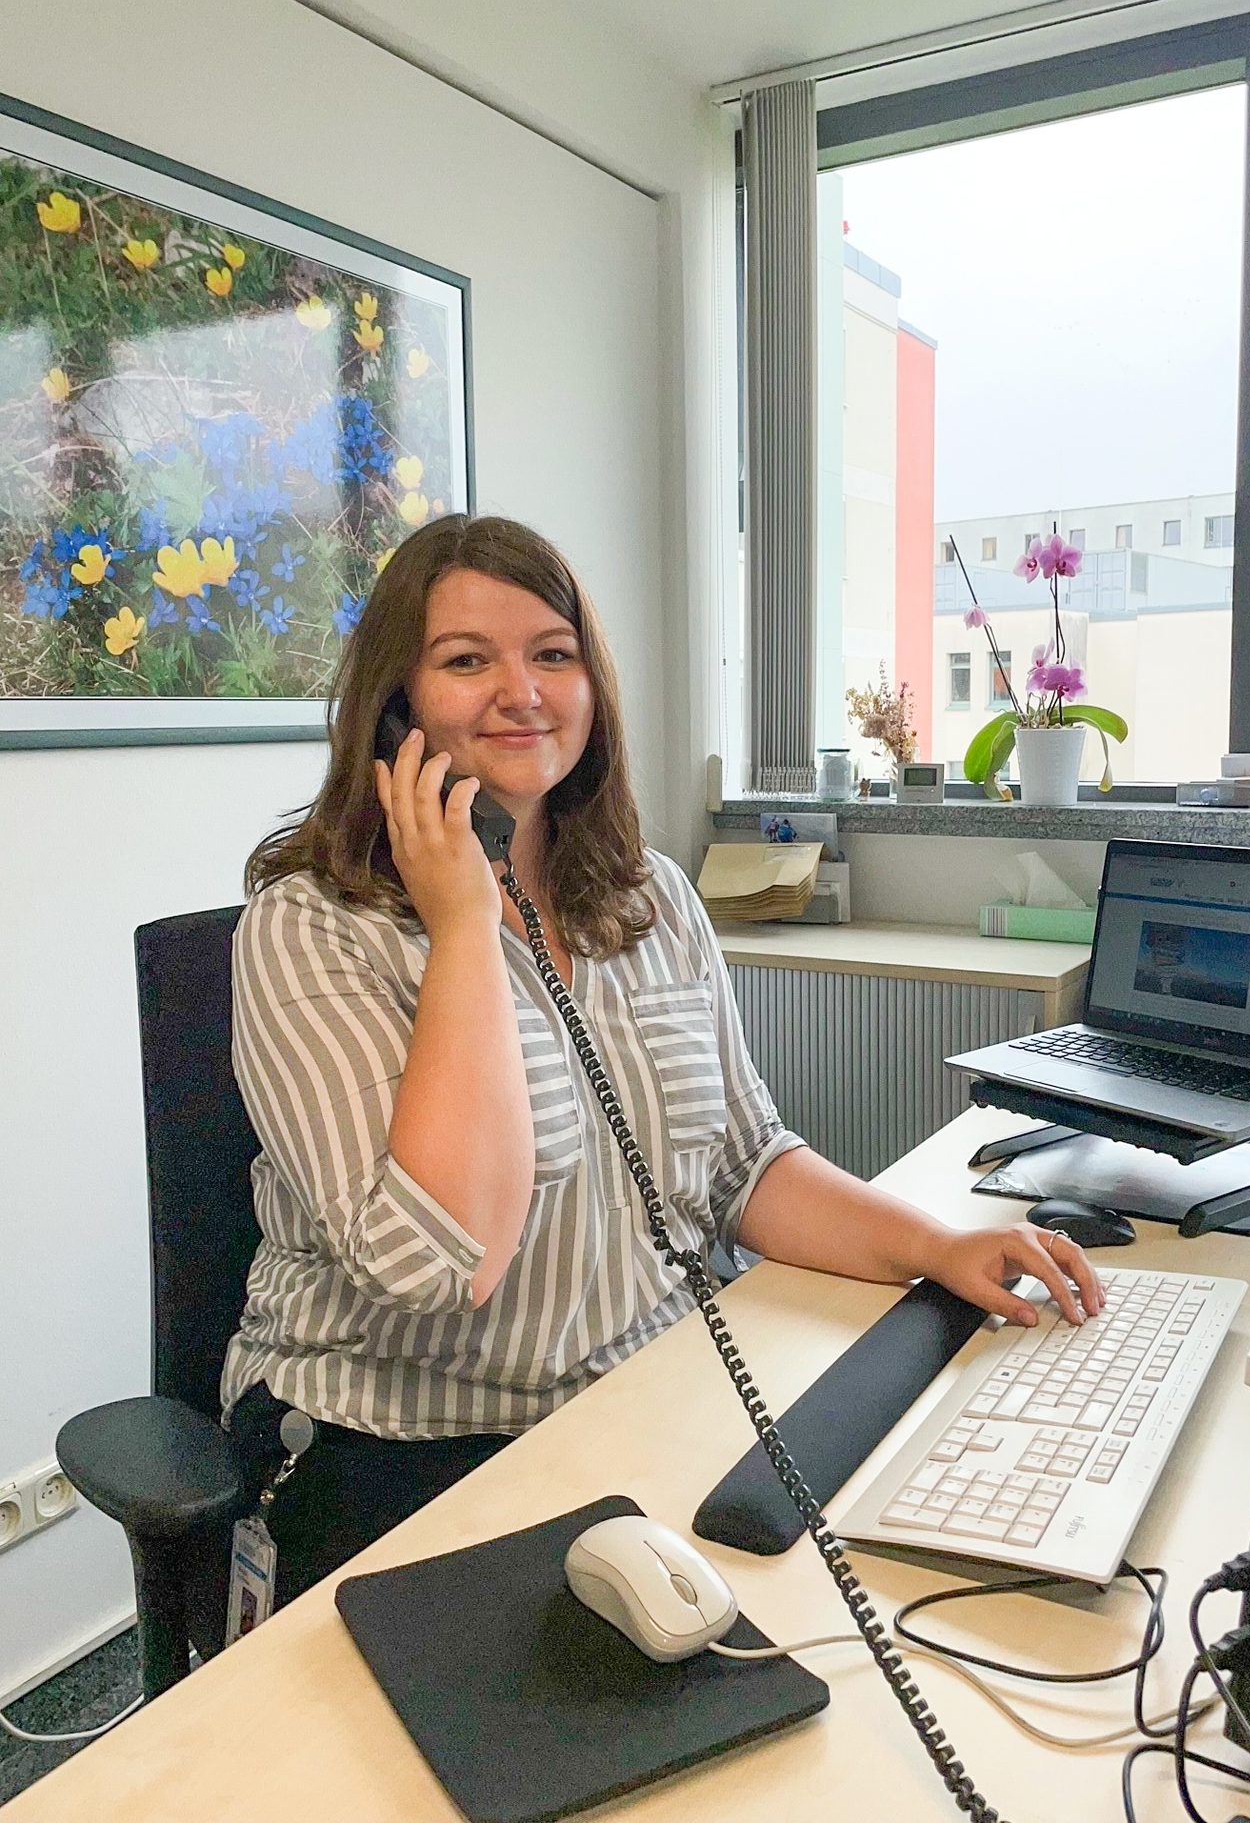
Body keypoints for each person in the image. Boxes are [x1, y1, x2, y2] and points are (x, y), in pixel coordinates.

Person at [214, 512, 1101, 1619]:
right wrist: (460, 927)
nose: (522, 692)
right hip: (403, 1437)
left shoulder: (651, 901)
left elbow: (744, 1165)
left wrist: (938, 1246)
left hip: (639, 1400)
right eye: (465, 661)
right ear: (393, 704)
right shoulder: (313, 928)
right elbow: (443, 1263)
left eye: (552, 653)